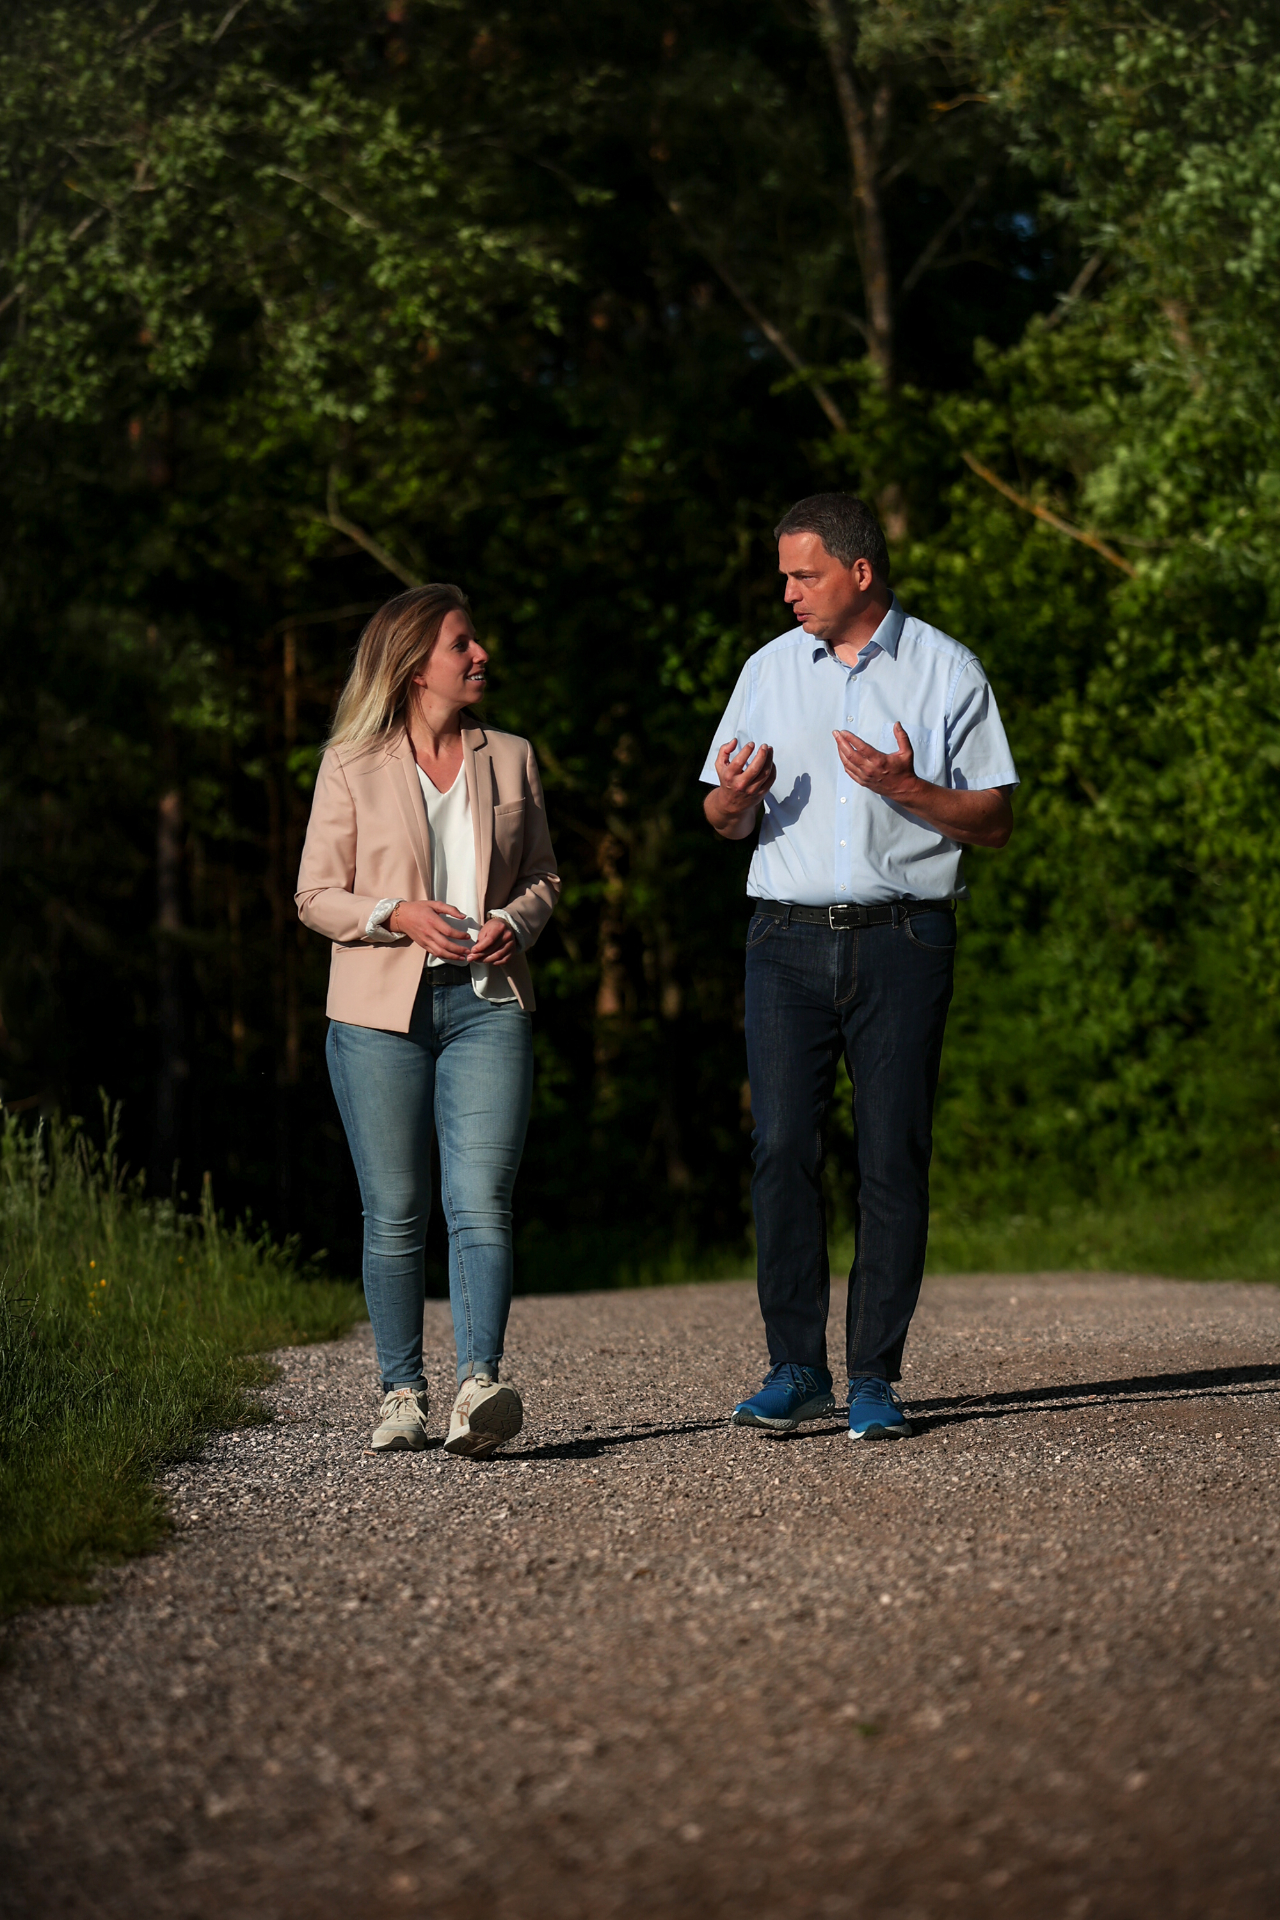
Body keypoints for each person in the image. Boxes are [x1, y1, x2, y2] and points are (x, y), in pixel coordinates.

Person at [701, 494, 1017, 1441]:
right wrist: (736, 799)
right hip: (784, 942)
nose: (788, 592)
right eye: (785, 575)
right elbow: (719, 817)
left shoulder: (946, 669)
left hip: (904, 940)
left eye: (804, 574)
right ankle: (796, 1369)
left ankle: (875, 1377)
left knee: (891, 1155)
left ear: (861, 573)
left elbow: (995, 820)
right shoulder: (766, 669)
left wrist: (904, 786)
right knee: (781, 1149)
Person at [296, 583, 559, 1458]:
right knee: (396, 1211)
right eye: (461, 644)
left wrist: (514, 920)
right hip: (378, 1014)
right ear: (415, 666)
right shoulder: (351, 763)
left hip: (488, 1006)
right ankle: (401, 1393)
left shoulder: (511, 756)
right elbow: (314, 895)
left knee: (481, 1202)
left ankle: (479, 1389)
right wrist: (396, 914)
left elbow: (544, 877)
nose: (480, 655)